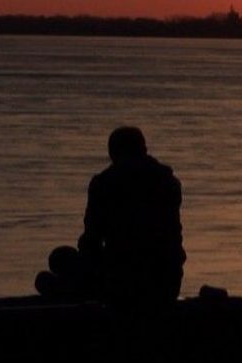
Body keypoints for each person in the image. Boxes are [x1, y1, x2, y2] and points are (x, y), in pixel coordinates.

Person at [35, 125, 184, 308]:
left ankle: (77, 296)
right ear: (144, 150)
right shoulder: (169, 182)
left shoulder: (104, 184)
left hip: (120, 285)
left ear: (112, 154)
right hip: (168, 284)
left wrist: (88, 269)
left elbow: (91, 241)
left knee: (57, 262)